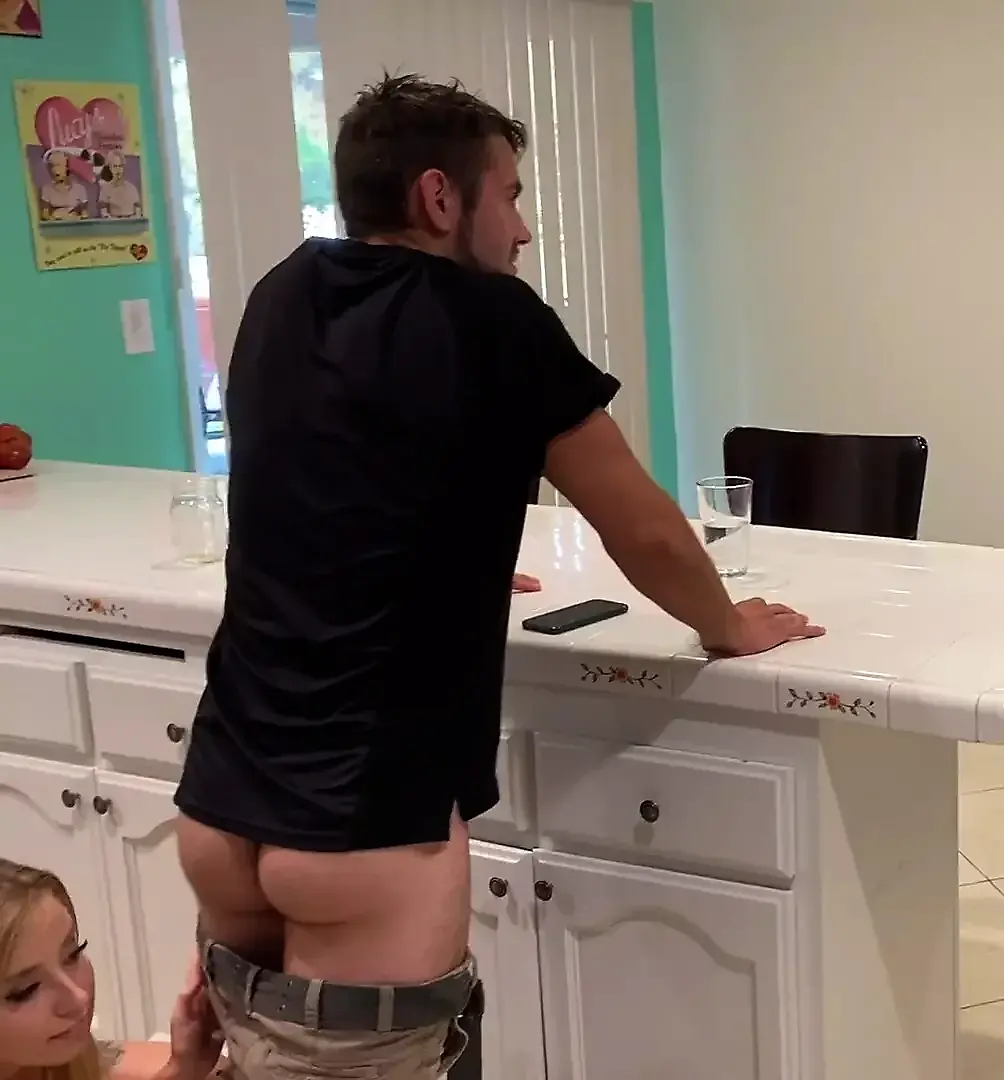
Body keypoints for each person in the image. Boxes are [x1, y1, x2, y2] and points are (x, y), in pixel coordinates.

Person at [170, 73, 823, 1078]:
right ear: (440, 196)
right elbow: (643, 530)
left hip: (221, 806)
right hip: (367, 824)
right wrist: (726, 623)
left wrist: (454, 564)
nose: (521, 230)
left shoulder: (281, 293)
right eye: (510, 195)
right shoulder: (491, 317)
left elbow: (325, 485)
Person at [0, 859, 226, 1080]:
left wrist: (184, 1067)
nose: (79, 999)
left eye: (73, 954)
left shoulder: (69, 1055)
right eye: (25, 990)